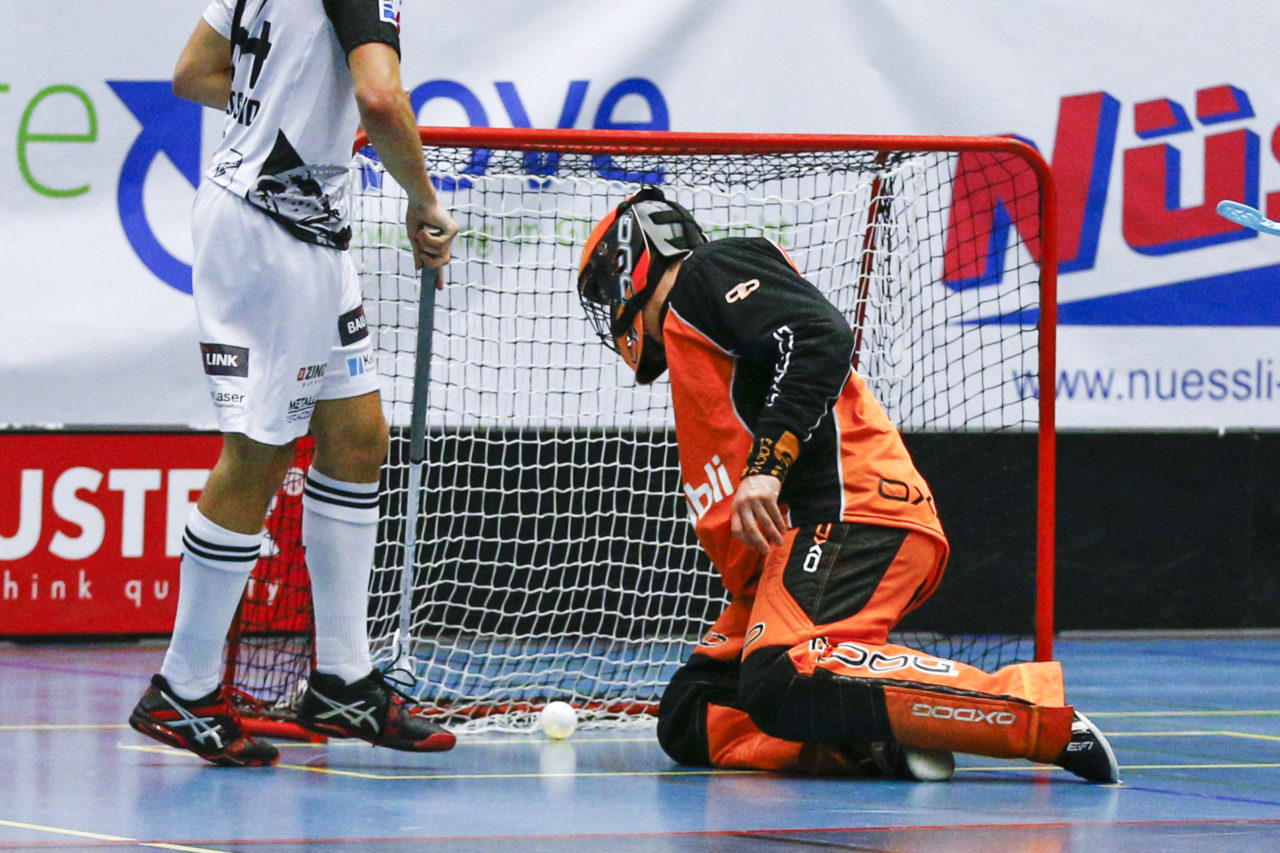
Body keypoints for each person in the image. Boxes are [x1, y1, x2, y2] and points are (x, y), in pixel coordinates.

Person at [576, 188, 1119, 783]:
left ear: (633, 267)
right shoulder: (689, 342)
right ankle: (877, 743)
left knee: (785, 673)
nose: (611, 315)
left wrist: (765, 467)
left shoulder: (709, 272)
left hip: (849, 512)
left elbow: (817, 336)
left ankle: (1038, 716)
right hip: (792, 549)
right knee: (694, 712)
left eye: (607, 293)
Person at [128, 0, 458, 766]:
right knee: (260, 452)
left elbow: (193, 73)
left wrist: (286, 108)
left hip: (307, 219)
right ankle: (183, 687)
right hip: (268, 226)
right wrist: (423, 200)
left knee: (357, 435)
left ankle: (343, 677)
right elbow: (380, 96)